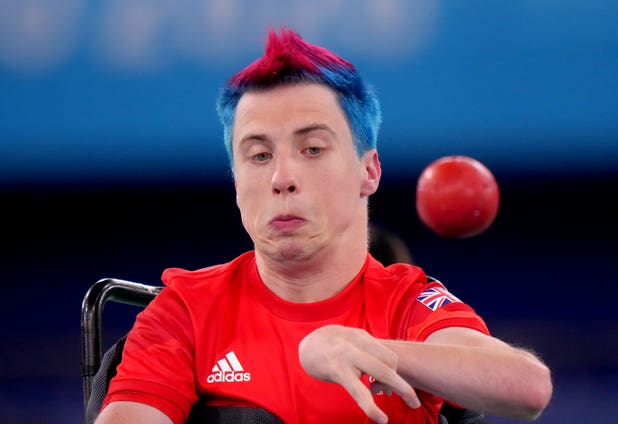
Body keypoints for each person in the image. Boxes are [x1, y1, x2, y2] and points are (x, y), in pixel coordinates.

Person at [95, 27, 552, 424]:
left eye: (312, 149)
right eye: (259, 155)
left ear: (368, 172)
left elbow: (528, 387)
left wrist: (373, 351)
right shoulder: (185, 311)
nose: (282, 178)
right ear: (236, 182)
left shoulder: (407, 304)